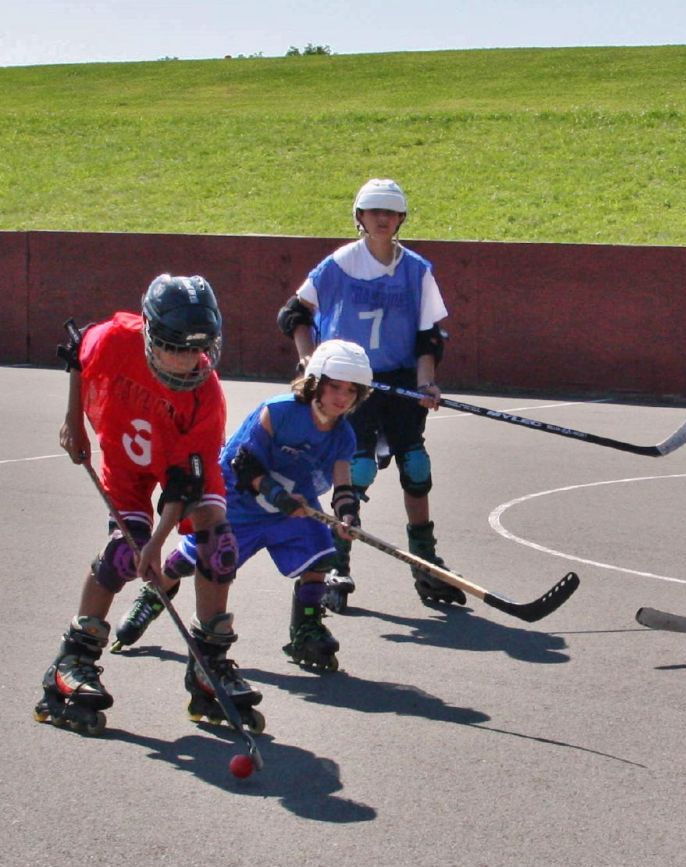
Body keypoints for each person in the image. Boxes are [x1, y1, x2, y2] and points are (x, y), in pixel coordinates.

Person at [36, 274, 262, 735]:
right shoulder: (115, 339)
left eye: (198, 349)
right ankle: (71, 664)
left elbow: (183, 487)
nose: (187, 362)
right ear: (150, 335)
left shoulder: (206, 395)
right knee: (123, 553)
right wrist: (72, 422)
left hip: (178, 464)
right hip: (126, 458)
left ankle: (209, 665)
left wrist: (158, 545)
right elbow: (78, 352)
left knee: (217, 543)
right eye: (175, 348)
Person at [114, 340, 371, 673]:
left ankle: (306, 628)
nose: (342, 397)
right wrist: (277, 495)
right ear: (316, 382)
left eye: (352, 391)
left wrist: (347, 516)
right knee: (192, 559)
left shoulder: (344, 435)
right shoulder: (279, 411)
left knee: (321, 552)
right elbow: (242, 463)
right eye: (335, 386)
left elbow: (343, 485)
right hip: (240, 502)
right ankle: (153, 596)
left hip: (290, 510)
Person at [275, 177, 461, 612]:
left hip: (397, 380)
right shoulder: (338, 265)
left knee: (415, 465)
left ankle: (425, 561)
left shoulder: (417, 269)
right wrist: (308, 361)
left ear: (401, 220)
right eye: (374, 212)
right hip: (348, 383)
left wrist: (426, 383)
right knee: (355, 471)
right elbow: (294, 313)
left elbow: (428, 336)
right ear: (359, 217)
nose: (383, 219)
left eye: (391, 213)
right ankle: (337, 562)